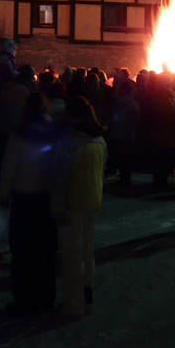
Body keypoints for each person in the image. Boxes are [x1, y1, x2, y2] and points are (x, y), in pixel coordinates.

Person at [0, 92, 59, 313]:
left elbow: (9, 167)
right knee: (45, 251)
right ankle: (46, 298)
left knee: (22, 253)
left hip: (24, 198)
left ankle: (24, 300)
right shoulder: (55, 132)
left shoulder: (20, 133)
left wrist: (3, 194)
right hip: (47, 198)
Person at [52, 96, 107, 320]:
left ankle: (74, 304)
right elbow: (102, 169)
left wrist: (58, 206)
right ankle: (87, 292)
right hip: (92, 200)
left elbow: (59, 177)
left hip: (72, 203)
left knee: (71, 256)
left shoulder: (67, 142)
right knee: (87, 249)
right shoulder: (100, 140)